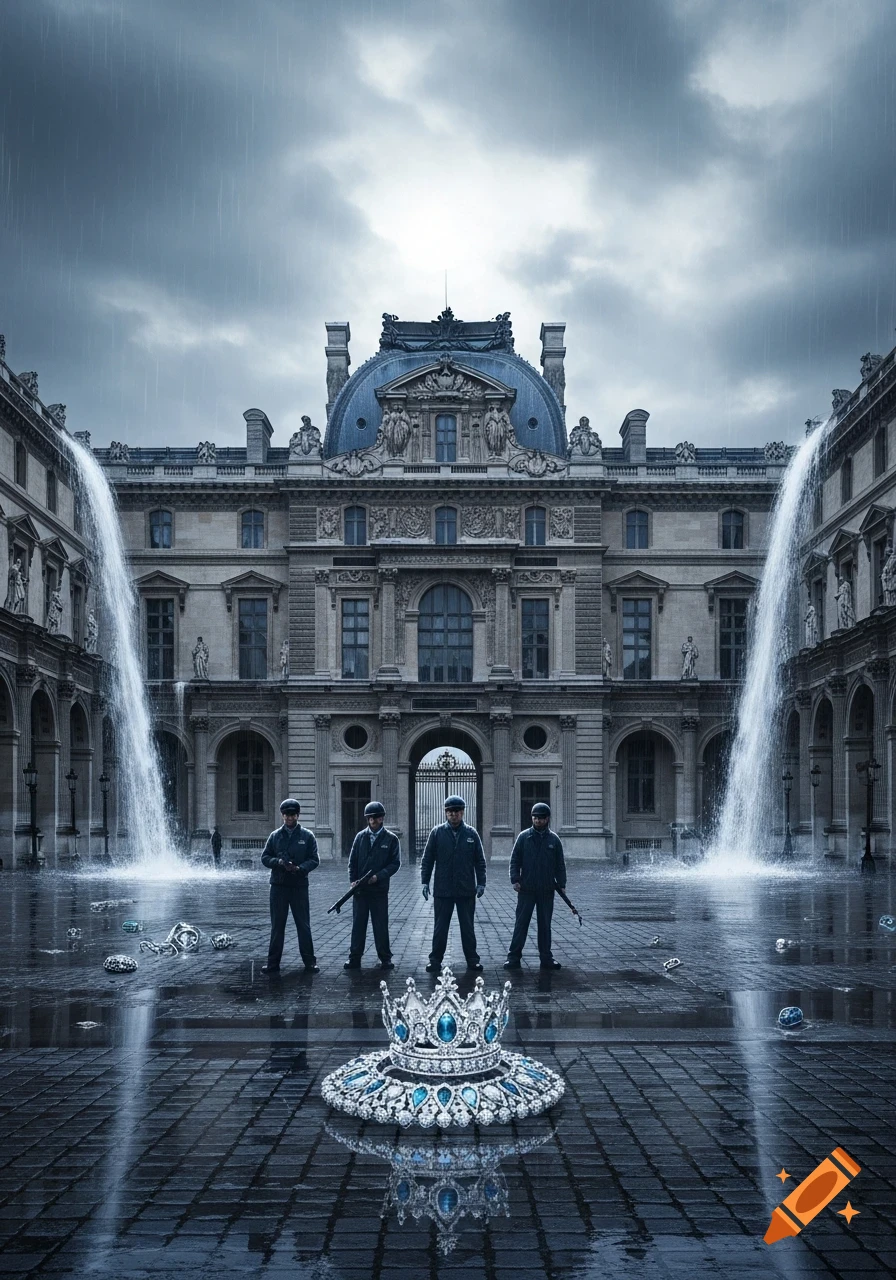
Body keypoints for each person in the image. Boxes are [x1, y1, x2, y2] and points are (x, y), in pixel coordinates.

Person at [420, 796, 486, 973]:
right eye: (450, 812)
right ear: (446, 813)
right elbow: (427, 859)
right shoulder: (437, 833)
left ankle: (473, 960)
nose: (453, 815)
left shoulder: (471, 834)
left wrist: (481, 883)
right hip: (443, 889)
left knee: (468, 927)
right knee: (440, 928)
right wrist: (425, 881)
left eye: (456, 811)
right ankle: (435, 961)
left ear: (462, 812)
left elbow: (480, 861)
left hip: (466, 889)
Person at [504, 802, 567, 971]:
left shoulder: (554, 840)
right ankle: (513, 958)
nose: (537, 820)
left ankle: (546, 958)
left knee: (545, 925)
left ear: (547, 819)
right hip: (526, 889)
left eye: (541, 818)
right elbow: (515, 860)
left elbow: (560, 864)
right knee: (521, 924)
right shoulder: (523, 837)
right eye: (535, 817)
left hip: (547, 890)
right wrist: (515, 879)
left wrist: (562, 884)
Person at [261, 799, 319, 973]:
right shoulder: (274, 836)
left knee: (303, 925)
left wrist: (300, 868)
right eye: (286, 815)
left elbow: (314, 860)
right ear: (282, 816)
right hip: (278, 887)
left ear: (298, 815)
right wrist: (278, 862)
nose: (289, 818)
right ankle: (272, 964)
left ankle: (310, 963)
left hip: (299, 886)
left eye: (293, 815)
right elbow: (265, 858)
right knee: (277, 926)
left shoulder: (307, 836)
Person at [344, 801, 401, 971]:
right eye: (369, 817)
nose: (373, 820)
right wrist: (353, 881)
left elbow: (395, 864)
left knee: (380, 925)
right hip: (360, 891)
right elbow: (352, 862)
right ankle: (354, 958)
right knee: (358, 925)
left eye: (376, 817)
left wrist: (378, 876)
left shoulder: (391, 839)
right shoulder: (360, 837)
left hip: (379, 890)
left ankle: (385, 958)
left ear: (382, 818)